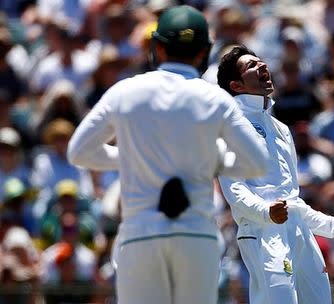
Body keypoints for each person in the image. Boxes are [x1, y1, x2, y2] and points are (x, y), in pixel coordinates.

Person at [67, 6, 268, 304]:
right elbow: (257, 162)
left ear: (158, 47)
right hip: (196, 235)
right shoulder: (214, 97)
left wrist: (130, 156)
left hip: (140, 234)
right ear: (204, 52)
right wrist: (213, 159)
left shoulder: (125, 91)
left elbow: (79, 152)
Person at [216, 45, 334, 304]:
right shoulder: (230, 126)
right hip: (262, 233)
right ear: (236, 86)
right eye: (251, 66)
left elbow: (294, 203)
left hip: (299, 234)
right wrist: (266, 212)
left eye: (261, 62)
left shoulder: (282, 129)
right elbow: (234, 190)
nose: (262, 66)